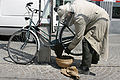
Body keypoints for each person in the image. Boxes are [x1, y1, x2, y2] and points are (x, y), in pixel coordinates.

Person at [54, 0, 110, 75]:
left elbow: (78, 36)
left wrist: (69, 48)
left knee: (88, 40)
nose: (67, 18)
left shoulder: (78, 17)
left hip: (100, 20)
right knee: (93, 40)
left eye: (66, 16)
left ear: (69, 13)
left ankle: (85, 68)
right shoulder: (73, 5)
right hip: (99, 17)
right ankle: (94, 59)